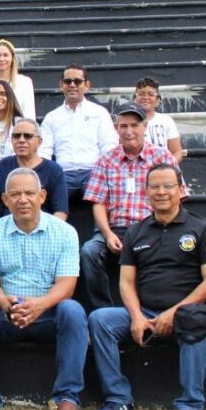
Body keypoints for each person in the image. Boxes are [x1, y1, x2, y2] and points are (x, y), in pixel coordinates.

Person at [87, 164, 206, 410]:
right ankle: (119, 401)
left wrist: (173, 313)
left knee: (196, 318)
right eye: (155, 186)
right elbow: (126, 282)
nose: (161, 192)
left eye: (168, 186)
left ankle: (189, 407)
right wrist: (137, 316)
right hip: (146, 313)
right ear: (146, 191)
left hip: (187, 313)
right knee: (100, 319)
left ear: (181, 190)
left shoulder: (201, 228)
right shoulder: (136, 232)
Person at [0, 167, 87, 410]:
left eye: (30, 193)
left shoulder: (65, 232)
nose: (23, 199)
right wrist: (6, 304)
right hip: (7, 312)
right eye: (16, 194)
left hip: (47, 313)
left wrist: (39, 305)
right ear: (6, 198)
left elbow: (67, 285)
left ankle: (67, 399)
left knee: (73, 311)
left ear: (43, 196)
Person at [80, 102, 181, 312]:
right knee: (89, 251)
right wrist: (107, 234)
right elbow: (98, 202)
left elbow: (178, 197)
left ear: (144, 127)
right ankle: (103, 311)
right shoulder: (106, 160)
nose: (129, 131)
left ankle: (151, 310)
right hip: (115, 229)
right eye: (123, 126)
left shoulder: (162, 157)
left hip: (151, 227)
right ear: (117, 129)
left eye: (134, 125)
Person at [38, 65, 118, 198]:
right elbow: (44, 151)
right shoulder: (52, 117)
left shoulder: (99, 113)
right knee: (45, 195)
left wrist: (104, 171)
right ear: (61, 85)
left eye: (77, 81)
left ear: (87, 85)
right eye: (68, 81)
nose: (72, 85)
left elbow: (108, 145)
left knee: (106, 194)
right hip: (63, 173)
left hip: (93, 172)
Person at [0, 118, 69, 225]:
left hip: (42, 230)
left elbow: (60, 211)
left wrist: (51, 235)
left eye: (28, 136)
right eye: (16, 136)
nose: (21, 140)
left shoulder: (54, 170)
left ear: (39, 142)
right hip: (6, 231)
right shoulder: (3, 166)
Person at [134, 77, 184, 164]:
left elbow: (177, 152)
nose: (146, 97)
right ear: (135, 99)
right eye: (141, 94)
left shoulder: (166, 121)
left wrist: (166, 168)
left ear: (157, 100)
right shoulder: (128, 122)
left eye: (151, 94)